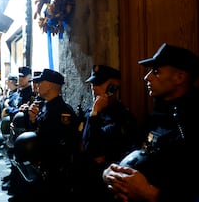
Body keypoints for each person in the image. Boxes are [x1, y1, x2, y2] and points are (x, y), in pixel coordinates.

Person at [102, 43, 199, 202]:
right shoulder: (158, 114)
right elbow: (133, 149)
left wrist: (152, 194)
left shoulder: (192, 119)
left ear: (179, 77)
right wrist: (109, 172)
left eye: (156, 72)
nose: (147, 77)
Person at [12, 68, 81, 202]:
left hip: (55, 171)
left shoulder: (63, 112)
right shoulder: (44, 106)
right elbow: (38, 130)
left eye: (41, 82)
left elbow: (62, 142)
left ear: (49, 85)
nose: (38, 85)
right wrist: (32, 119)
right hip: (42, 166)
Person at [81, 65, 141, 201]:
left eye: (98, 83)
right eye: (92, 84)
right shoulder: (89, 113)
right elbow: (85, 148)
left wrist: (95, 113)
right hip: (87, 182)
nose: (93, 88)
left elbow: (94, 150)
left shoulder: (122, 117)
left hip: (107, 187)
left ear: (113, 88)